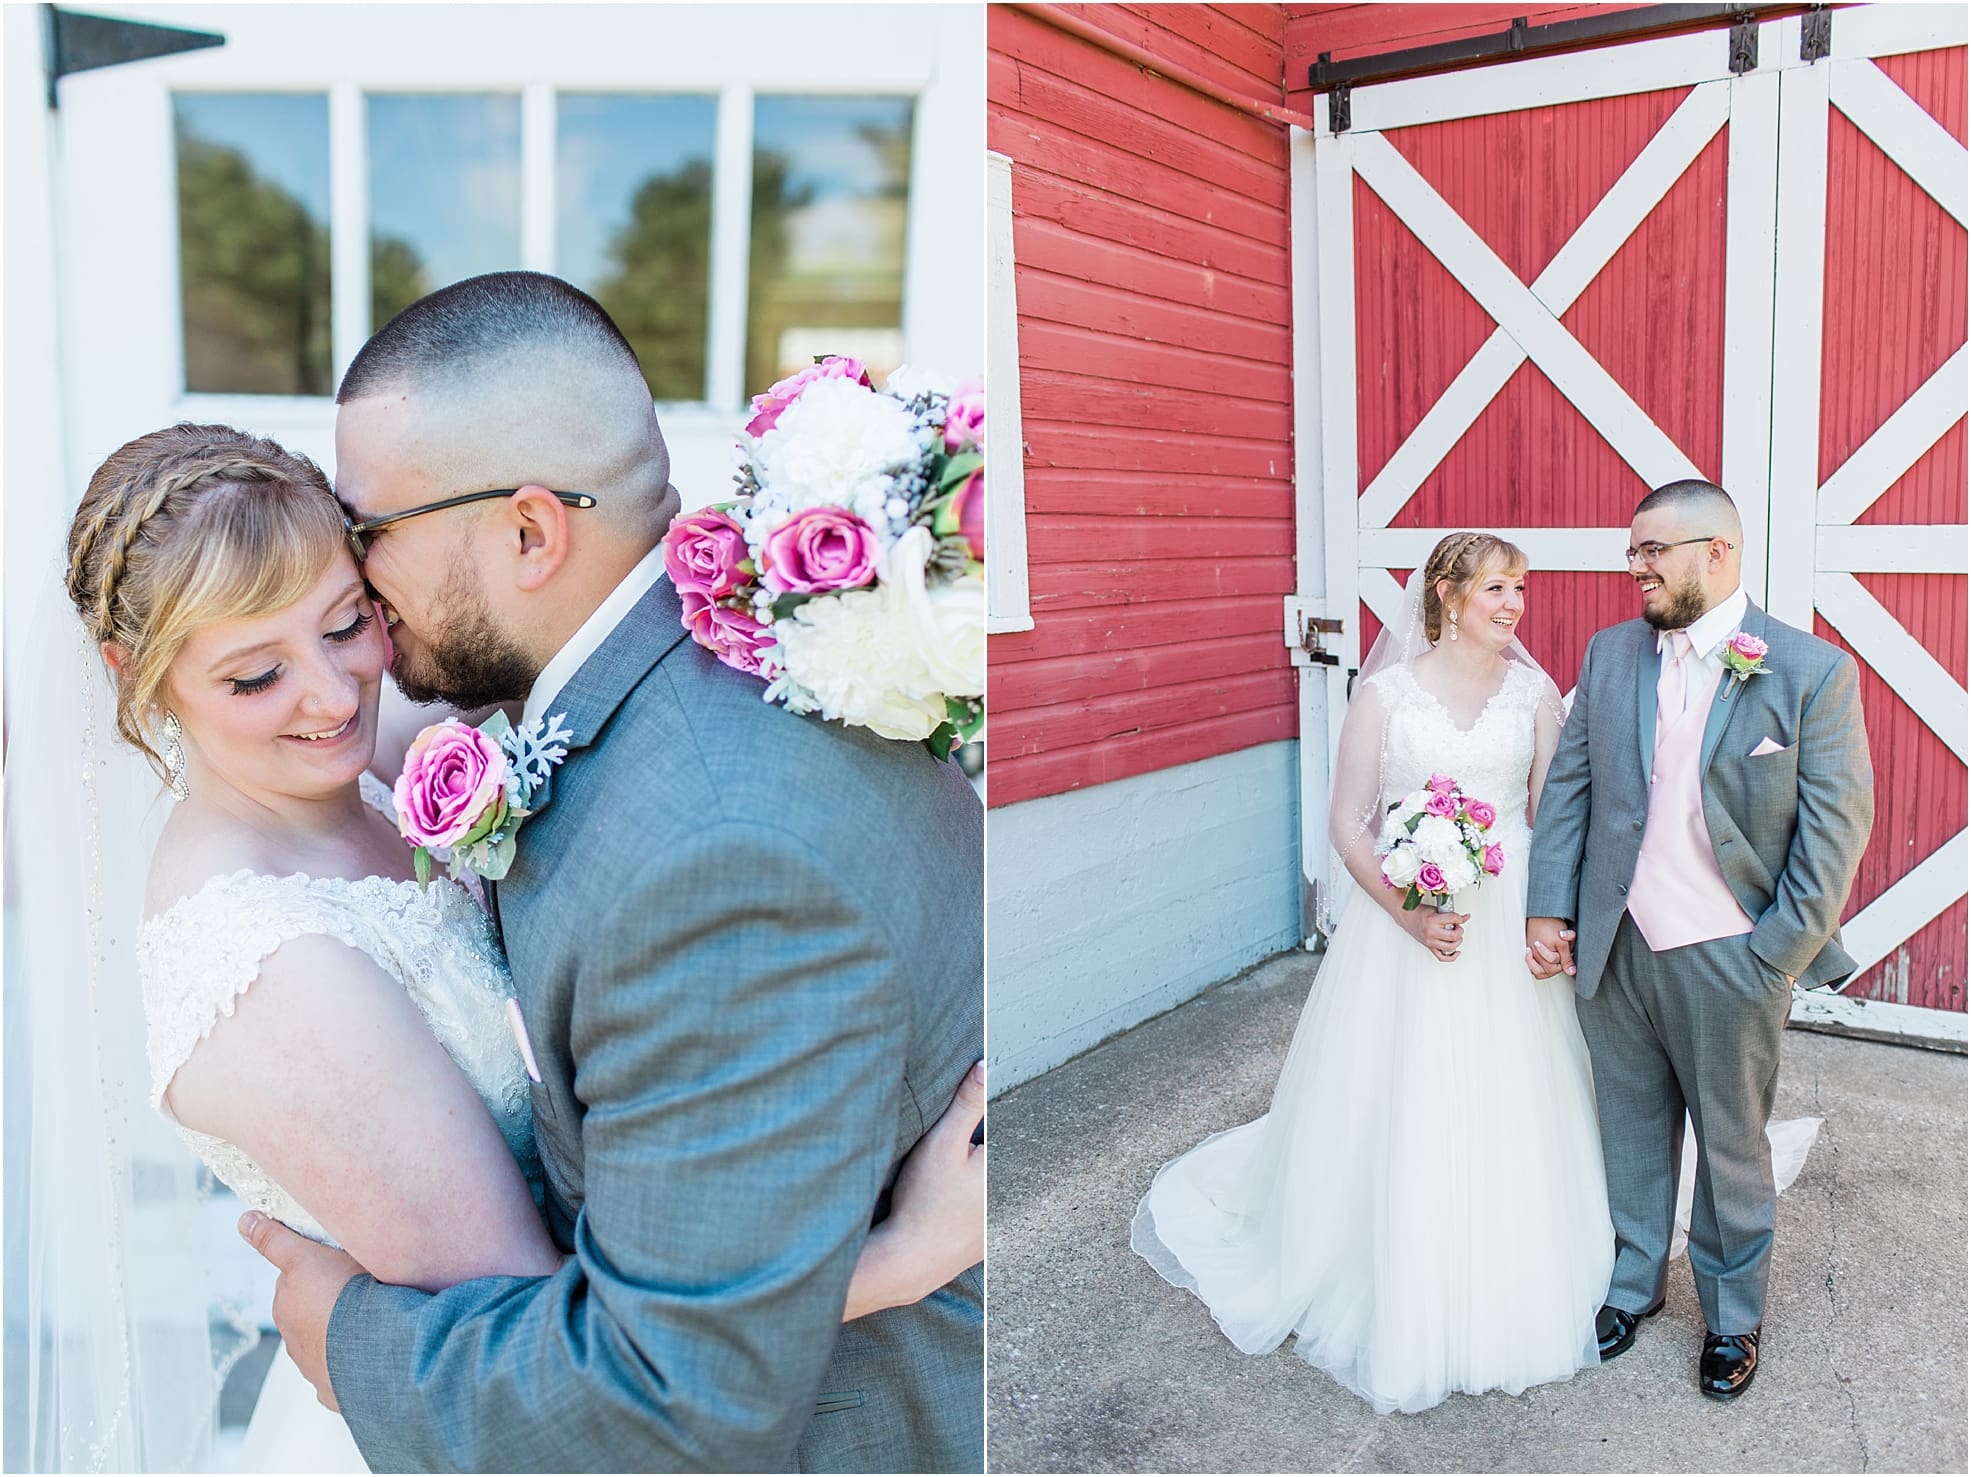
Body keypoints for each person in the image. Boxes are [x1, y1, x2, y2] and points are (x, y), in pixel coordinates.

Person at [59, 421, 984, 1471]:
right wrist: (903, 1257)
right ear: (134, 670)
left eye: (347, 623)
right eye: (253, 676)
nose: (331, 693)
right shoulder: (275, 975)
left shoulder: (385, 760)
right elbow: (545, 1344)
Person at [1132, 533, 1616, 1414]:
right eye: (1498, 588)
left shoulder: (1533, 693)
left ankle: (1518, 1246)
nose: (1514, 605)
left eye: (1520, 589)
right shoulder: (1386, 694)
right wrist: (1410, 913)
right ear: (1446, 592)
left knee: (1518, 1086)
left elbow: (1551, 814)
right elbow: (1350, 824)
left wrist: (1558, 914)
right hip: (1407, 923)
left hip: (1504, 915)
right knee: (1404, 1088)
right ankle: (1393, 1253)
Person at [1525, 479, 1872, 1400]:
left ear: (1716, 552)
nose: (1633, 566)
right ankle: (1633, 1283)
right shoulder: (1608, 656)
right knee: (1628, 1128)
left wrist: (1779, 950)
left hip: (1732, 952)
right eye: (1630, 549)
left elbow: (1834, 829)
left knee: (1728, 1143)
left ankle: (1730, 1314)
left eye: (1651, 550)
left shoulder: (1806, 671)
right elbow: (1570, 791)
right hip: (1616, 940)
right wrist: (1549, 909)